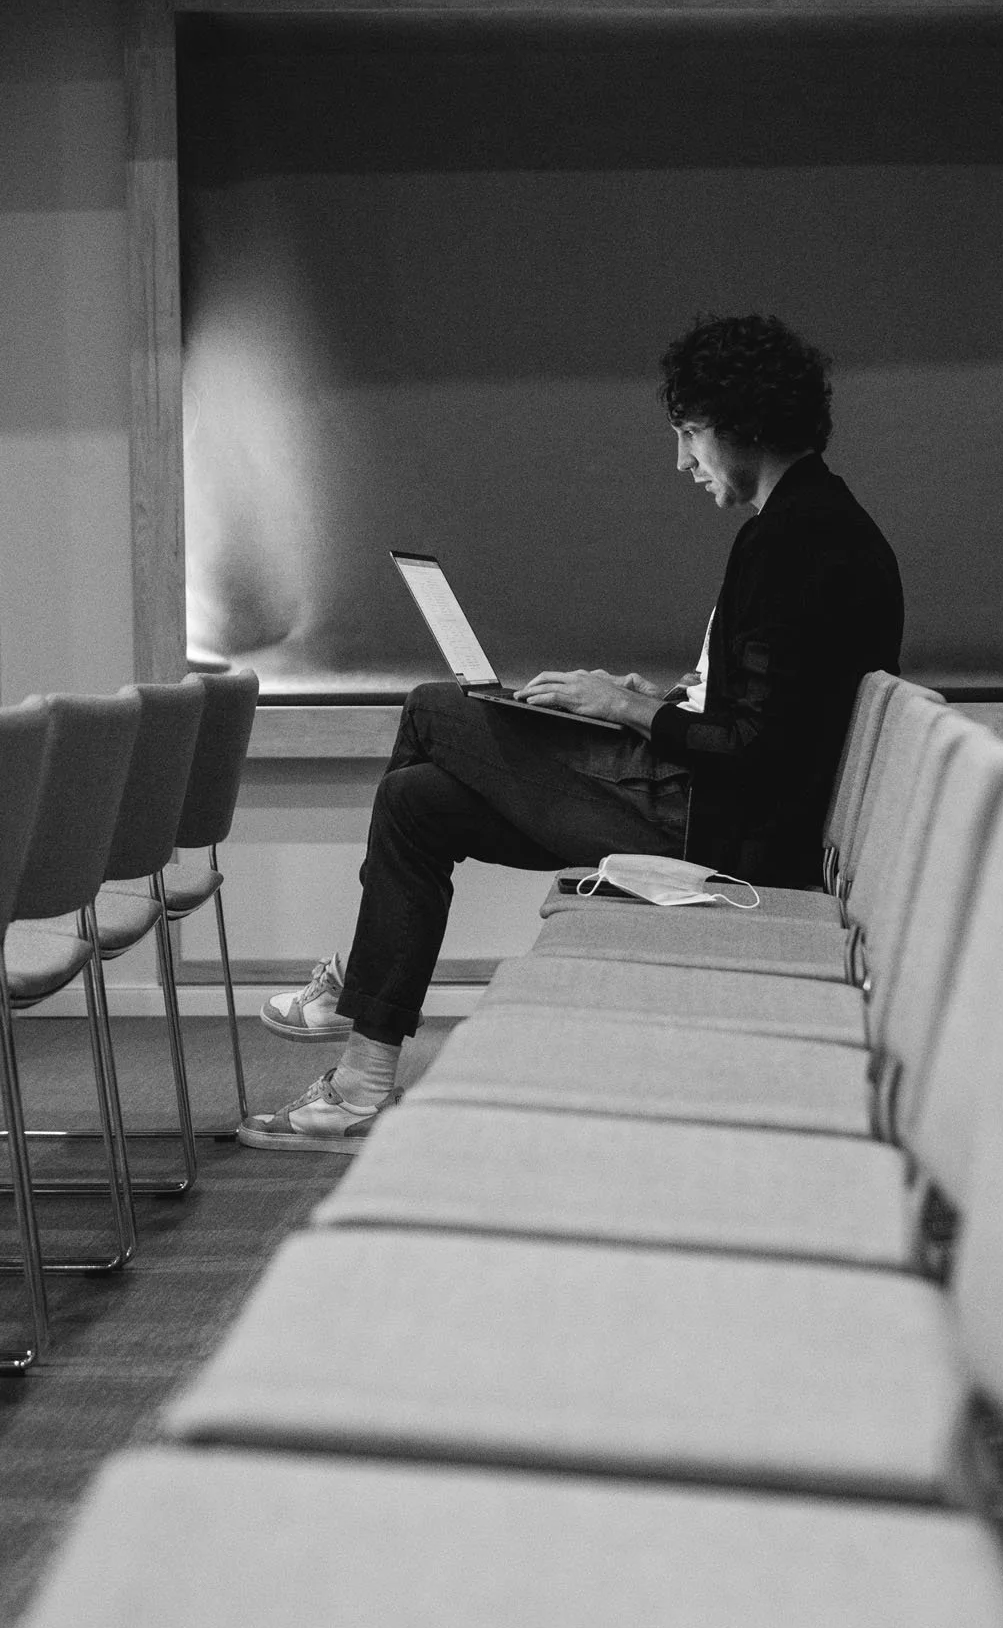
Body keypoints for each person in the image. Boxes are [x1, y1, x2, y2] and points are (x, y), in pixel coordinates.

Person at [238, 311, 904, 1154]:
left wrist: (630, 711)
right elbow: (774, 715)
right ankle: (361, 1086)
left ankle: (355, 992)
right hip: (720, 808)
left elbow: (760, 752)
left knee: (434, 708)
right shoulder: (820, 524)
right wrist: (658, 699)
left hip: (722, 840)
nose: (682, 462)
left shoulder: (791, 543)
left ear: (743, 423)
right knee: (418, 802)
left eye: (689, 434)